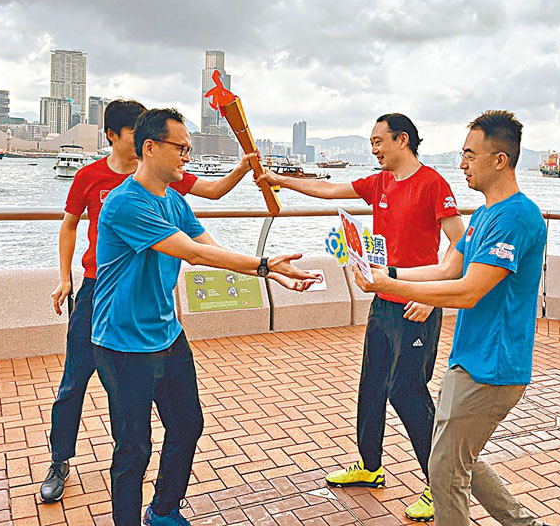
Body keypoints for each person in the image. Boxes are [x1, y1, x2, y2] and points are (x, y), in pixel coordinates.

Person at [93, 108, 318, 526]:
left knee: (187, 424)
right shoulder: (125, 203)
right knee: (133, 449)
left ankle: (163, 510)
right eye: (180, 148)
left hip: (166, 333)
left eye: (189, 149)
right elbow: (193, 254)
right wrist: (264, 265)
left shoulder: (174, 201)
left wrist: (270, 272)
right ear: (150, 147)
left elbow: (209, 248)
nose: (187, 156)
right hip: (123, 343)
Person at [40, 99, 256, 503]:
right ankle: (60, 459)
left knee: (166, 424)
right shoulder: (100, 183)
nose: (185, 156)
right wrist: (64, 277)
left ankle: (152, 493)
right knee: (78, 387)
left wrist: (244, 169)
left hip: (154, 314)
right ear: (123, 138)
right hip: (102, 299)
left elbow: (208, 207)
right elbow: (69, 226)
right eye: (180, 147)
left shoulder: (168, 184)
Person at [258, 113, 464, 522]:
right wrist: (280, 181)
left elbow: (460, 245)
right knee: (371, 385)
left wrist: (432, 297)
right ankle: (370, 467)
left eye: (378, 141)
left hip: (416, 304)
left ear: (402, 140)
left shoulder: (433, 184)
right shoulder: (379, 183)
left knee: (407, 392)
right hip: (382, 301)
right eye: (371, 143)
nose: (374, 149)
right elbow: (329, 189)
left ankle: (438, 485)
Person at [354, 110, 549, 526]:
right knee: (460, 460)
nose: (462, 164)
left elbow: (468, 290)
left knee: (445, 470)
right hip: (468, 360)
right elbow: (447, 269)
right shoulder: (484, 215)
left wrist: (392, 287)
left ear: (500, 160)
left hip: (494, 367)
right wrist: (387, 274)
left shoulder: (516, 217)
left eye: (470, 155)